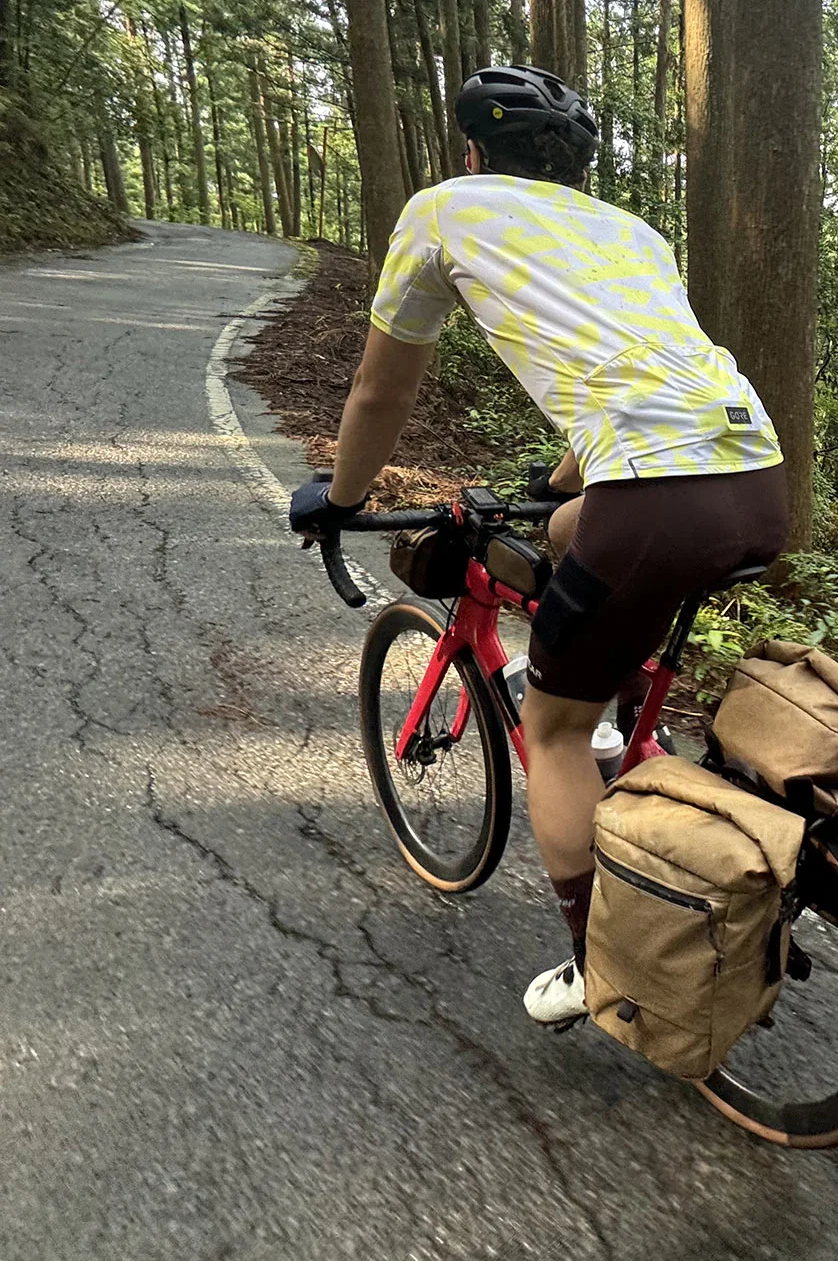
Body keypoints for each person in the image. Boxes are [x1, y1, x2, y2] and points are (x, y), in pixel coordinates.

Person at [289, 65, 788, 1026]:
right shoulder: (632, 234)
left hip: (653, 497)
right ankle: (623, 699)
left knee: (549, 732)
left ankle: (604, 968)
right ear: (570, 166)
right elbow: (638, 372)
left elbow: (379, 394)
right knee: (567, 530)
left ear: (474, 153)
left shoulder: (443, 210)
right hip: (758, 482)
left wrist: (340, 498)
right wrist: (561, 481)